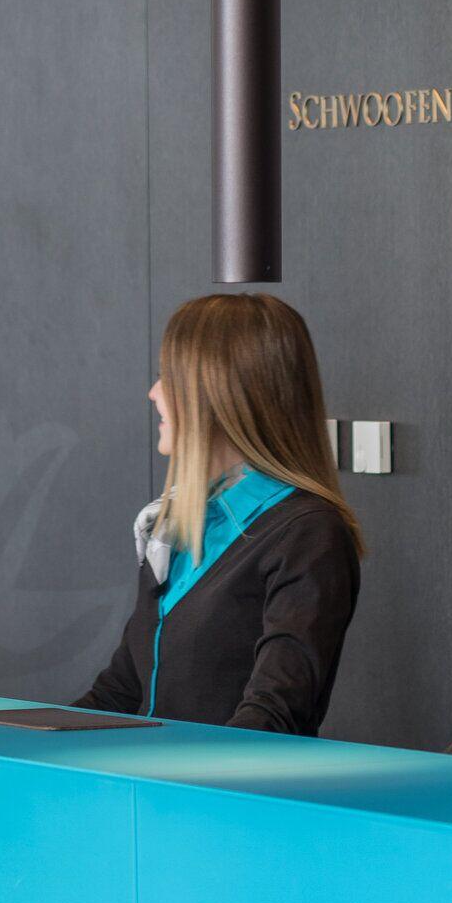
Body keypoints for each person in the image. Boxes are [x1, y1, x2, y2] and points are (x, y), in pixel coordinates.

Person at [74, 294, 364, 732]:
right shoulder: (175, 526)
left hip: (216, 779)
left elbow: (270, 718)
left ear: (218, 393)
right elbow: (120, 691)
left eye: (167, 377)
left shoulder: (307, 533)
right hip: (153, 772)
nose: (153, 393)